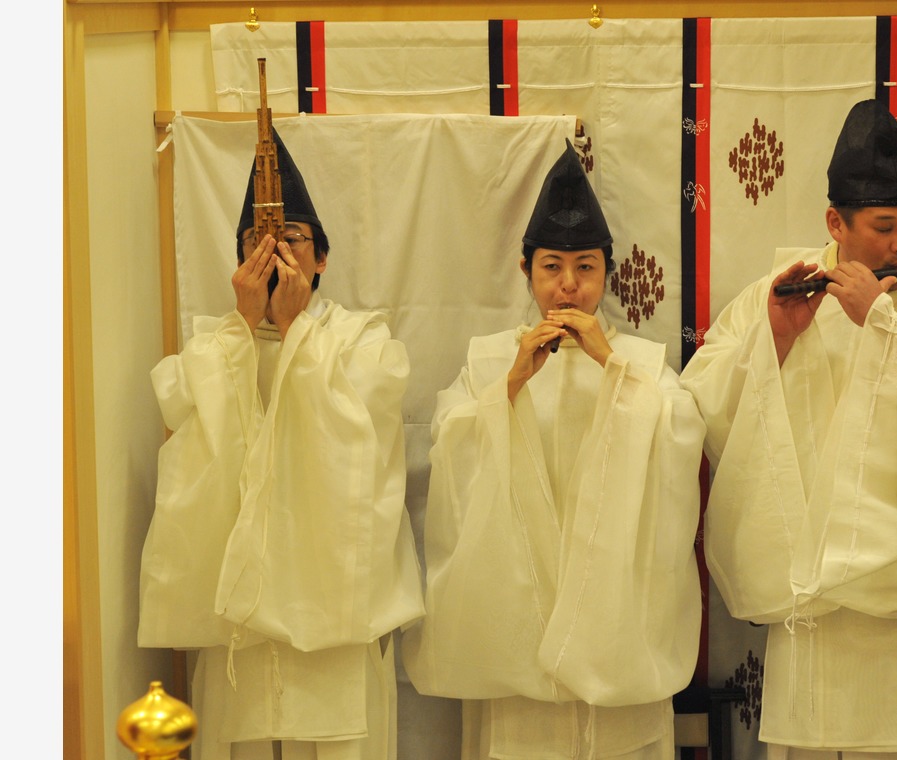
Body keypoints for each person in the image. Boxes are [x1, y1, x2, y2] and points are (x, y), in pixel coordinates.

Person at [678, 99, 897, 760]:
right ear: (836, 222)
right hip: (812, 619)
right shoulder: (783, 292)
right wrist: (774, 341)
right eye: (884, 227)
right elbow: (699, 407)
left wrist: (884, 324)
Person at [402, 139, 706, 759]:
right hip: (518, 625)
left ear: (606, 272)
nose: (569, 286)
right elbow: (451, 454)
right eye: (552, 268)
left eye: (585, 267)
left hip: (616, 628)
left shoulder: (643, 364)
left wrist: (612, 366)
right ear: (527, 271)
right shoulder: (489, 361)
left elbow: (680, 443)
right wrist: (511, 385)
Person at [137, 127, 425, 760]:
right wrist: (246, 324)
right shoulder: (216, 345)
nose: (275, 251)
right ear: (240, 263)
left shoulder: (364, 341)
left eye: (291, 238)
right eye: (257, 241)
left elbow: (357, 445)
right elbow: (190, 427)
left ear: (321, 260)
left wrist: (295, 326)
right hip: (238, 622)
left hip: (335, 612)